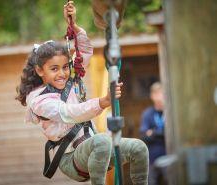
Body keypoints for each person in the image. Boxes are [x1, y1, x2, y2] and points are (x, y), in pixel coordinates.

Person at [17, 2, 149, 185]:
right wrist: (102, 102)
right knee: (102, 141)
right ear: (40, 71)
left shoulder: (71, 82)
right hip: (70, 156)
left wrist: (74, 25)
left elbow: (85, 51)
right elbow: (69, 113)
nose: (62, 73)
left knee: (139, 148)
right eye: (54, 69)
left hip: (95, 149)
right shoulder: (38, 99)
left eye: (65, 67)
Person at [139, 82, 166, 185]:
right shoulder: (148, 113)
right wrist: (161, 133)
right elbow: (144, 136)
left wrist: (152, 132)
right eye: (156, 94)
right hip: (152, 160)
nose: (159, 97)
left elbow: (171, 134)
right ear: (152, 96)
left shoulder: (170, 112)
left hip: (168, 157)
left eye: (161, 93)